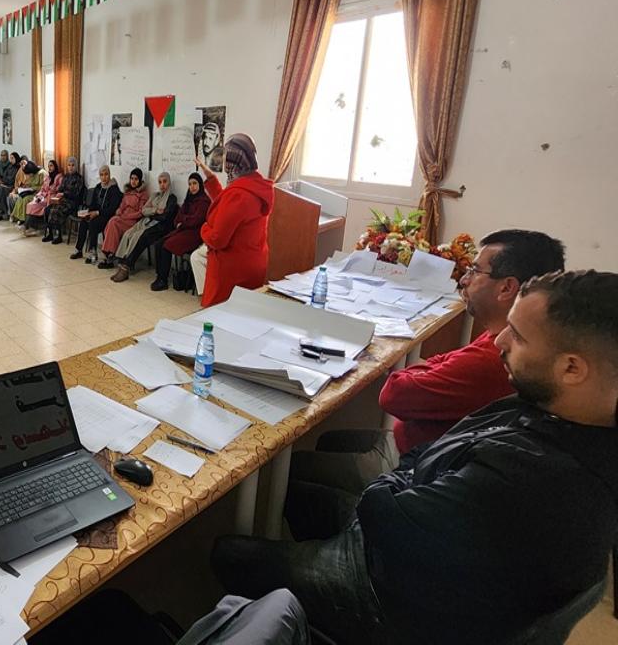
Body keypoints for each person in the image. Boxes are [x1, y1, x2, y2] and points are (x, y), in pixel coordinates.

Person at [213, 269, 618, 644]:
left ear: (572, 368)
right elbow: (425, 456)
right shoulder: (545, 410)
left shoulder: (534, 476)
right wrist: (411, 477)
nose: (499, 342)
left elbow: (382, 512)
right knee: (298, 495)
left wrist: (404, 480)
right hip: (430, 559)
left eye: (519, 336)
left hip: (398, 600)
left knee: (230, 552)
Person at [284, 229, 566, 541]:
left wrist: (425, 368)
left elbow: (394, 394)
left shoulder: (494, 357)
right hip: (426, 447)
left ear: (506, 288)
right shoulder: (507, 337)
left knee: (289, 472)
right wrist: (432, 366)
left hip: (415, 466)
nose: (464, 279)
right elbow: (443, 362)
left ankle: (341, 545)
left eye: (475, 271)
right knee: (331, 440)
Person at [190, 133, 273, 307]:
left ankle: (205, 307)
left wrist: (204, 228)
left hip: (233, 268)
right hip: (253, 262)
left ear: (232, 162)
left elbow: (217, 239)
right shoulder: (255, 186)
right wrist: (210, 178)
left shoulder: (238, 194)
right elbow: (229, 208)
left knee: (219, 311)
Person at [112, 171, 178, 282]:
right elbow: (143, 210)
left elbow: (164, 217)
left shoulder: (171, 198)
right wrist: (155, 210)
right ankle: (121, 261)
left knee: (138, 236)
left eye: (165, 182)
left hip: (160, 227)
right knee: (128, 233)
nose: (162, 185)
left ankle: (126, 266)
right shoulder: (155, 195)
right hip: (146, 221)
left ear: (169, 183)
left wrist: (151, 212)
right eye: (160, 182)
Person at [150, 172, 209, 291]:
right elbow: (178, 217)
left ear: (200, 185)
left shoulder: (204, 201)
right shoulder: (188, 199)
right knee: (159, 244)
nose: (192, 187)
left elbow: (196, 220)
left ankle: (163, 280)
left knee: (166, 246)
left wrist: (183, 221)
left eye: (195, 183)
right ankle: (159, 275)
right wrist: (181, 221)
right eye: (190, 184)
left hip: (194, 234)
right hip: (183, 231)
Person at [97, 168, 149, 269]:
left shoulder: (143, 194)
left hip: (133, 221)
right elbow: (122, 205)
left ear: (140, 180)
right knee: (112, 221)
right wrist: (119, 211)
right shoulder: (128, 192)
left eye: (136, 179)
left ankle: (108, 254)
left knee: (114, 223)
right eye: (132, 178)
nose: (133, 181)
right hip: (123, 218)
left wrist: (126, 216)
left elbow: (141, 212)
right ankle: (110, 254)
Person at [70, 165, 121, 262]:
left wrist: (97, 212)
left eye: (106, 174)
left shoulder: (114, 189)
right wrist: (88, 212)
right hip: (96, 214)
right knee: (84, 222)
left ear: (109, 174)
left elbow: (112, 209)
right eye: (101, 175)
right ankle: (79, 250)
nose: (104, 177)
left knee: (93, 223)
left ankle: (92, 252)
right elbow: (93, 204)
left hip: (107, 216)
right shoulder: (98, 187)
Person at [45, 156, 85, 245]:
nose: (71, 167)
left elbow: (76, 194)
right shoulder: (66, 177)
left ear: (76, 166)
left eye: (73, 165)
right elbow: (60, 189)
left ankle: (59, 236)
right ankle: (50, 234)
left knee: (57, 210)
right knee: (47, 209)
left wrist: (64, 194)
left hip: (72, 203)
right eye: (69, 165)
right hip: (63, 201)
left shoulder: (79, 178)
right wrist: (59, 193)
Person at [24, 158, 61, 236]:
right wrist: (38, 196)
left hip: (51, 198)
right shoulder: (47, 177)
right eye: (48, 166)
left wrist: (51, 191)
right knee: (30, 204)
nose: (50, 168)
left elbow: (59, 189)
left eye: (51, 166)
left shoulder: (59, 177)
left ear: (55, 167)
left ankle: (32, 228)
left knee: (33, 206)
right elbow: (42, 189)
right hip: (43, 197)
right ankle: (28, 227)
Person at [0, 151, 19, 220]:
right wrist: (3, 181)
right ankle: (1, 211)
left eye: (12, 158)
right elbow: (4, 176)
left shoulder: (17, 168)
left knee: (1, 189)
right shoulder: (9, 166)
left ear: (16, 159)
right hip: (5, 184)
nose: (11, 160)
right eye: (10, 158)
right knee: (0, 189)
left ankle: (2, 211)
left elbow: (12, 179)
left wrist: (4, 180)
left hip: (12, 186)